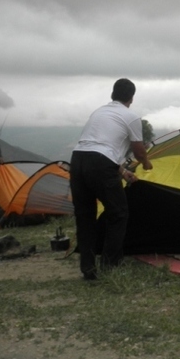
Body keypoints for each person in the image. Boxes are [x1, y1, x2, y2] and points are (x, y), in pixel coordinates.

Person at [69, 78, 153, 280]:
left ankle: (88, 268)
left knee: (85, 216)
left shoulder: (99, 112)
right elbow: (139, 150)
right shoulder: (131, 117)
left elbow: (99, 148)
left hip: (78, 159)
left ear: (112, 94)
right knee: (119, 212)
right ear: (131, 98)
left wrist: (123, 172)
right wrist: (146, 163)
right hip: (100, 163)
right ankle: (110, 264)